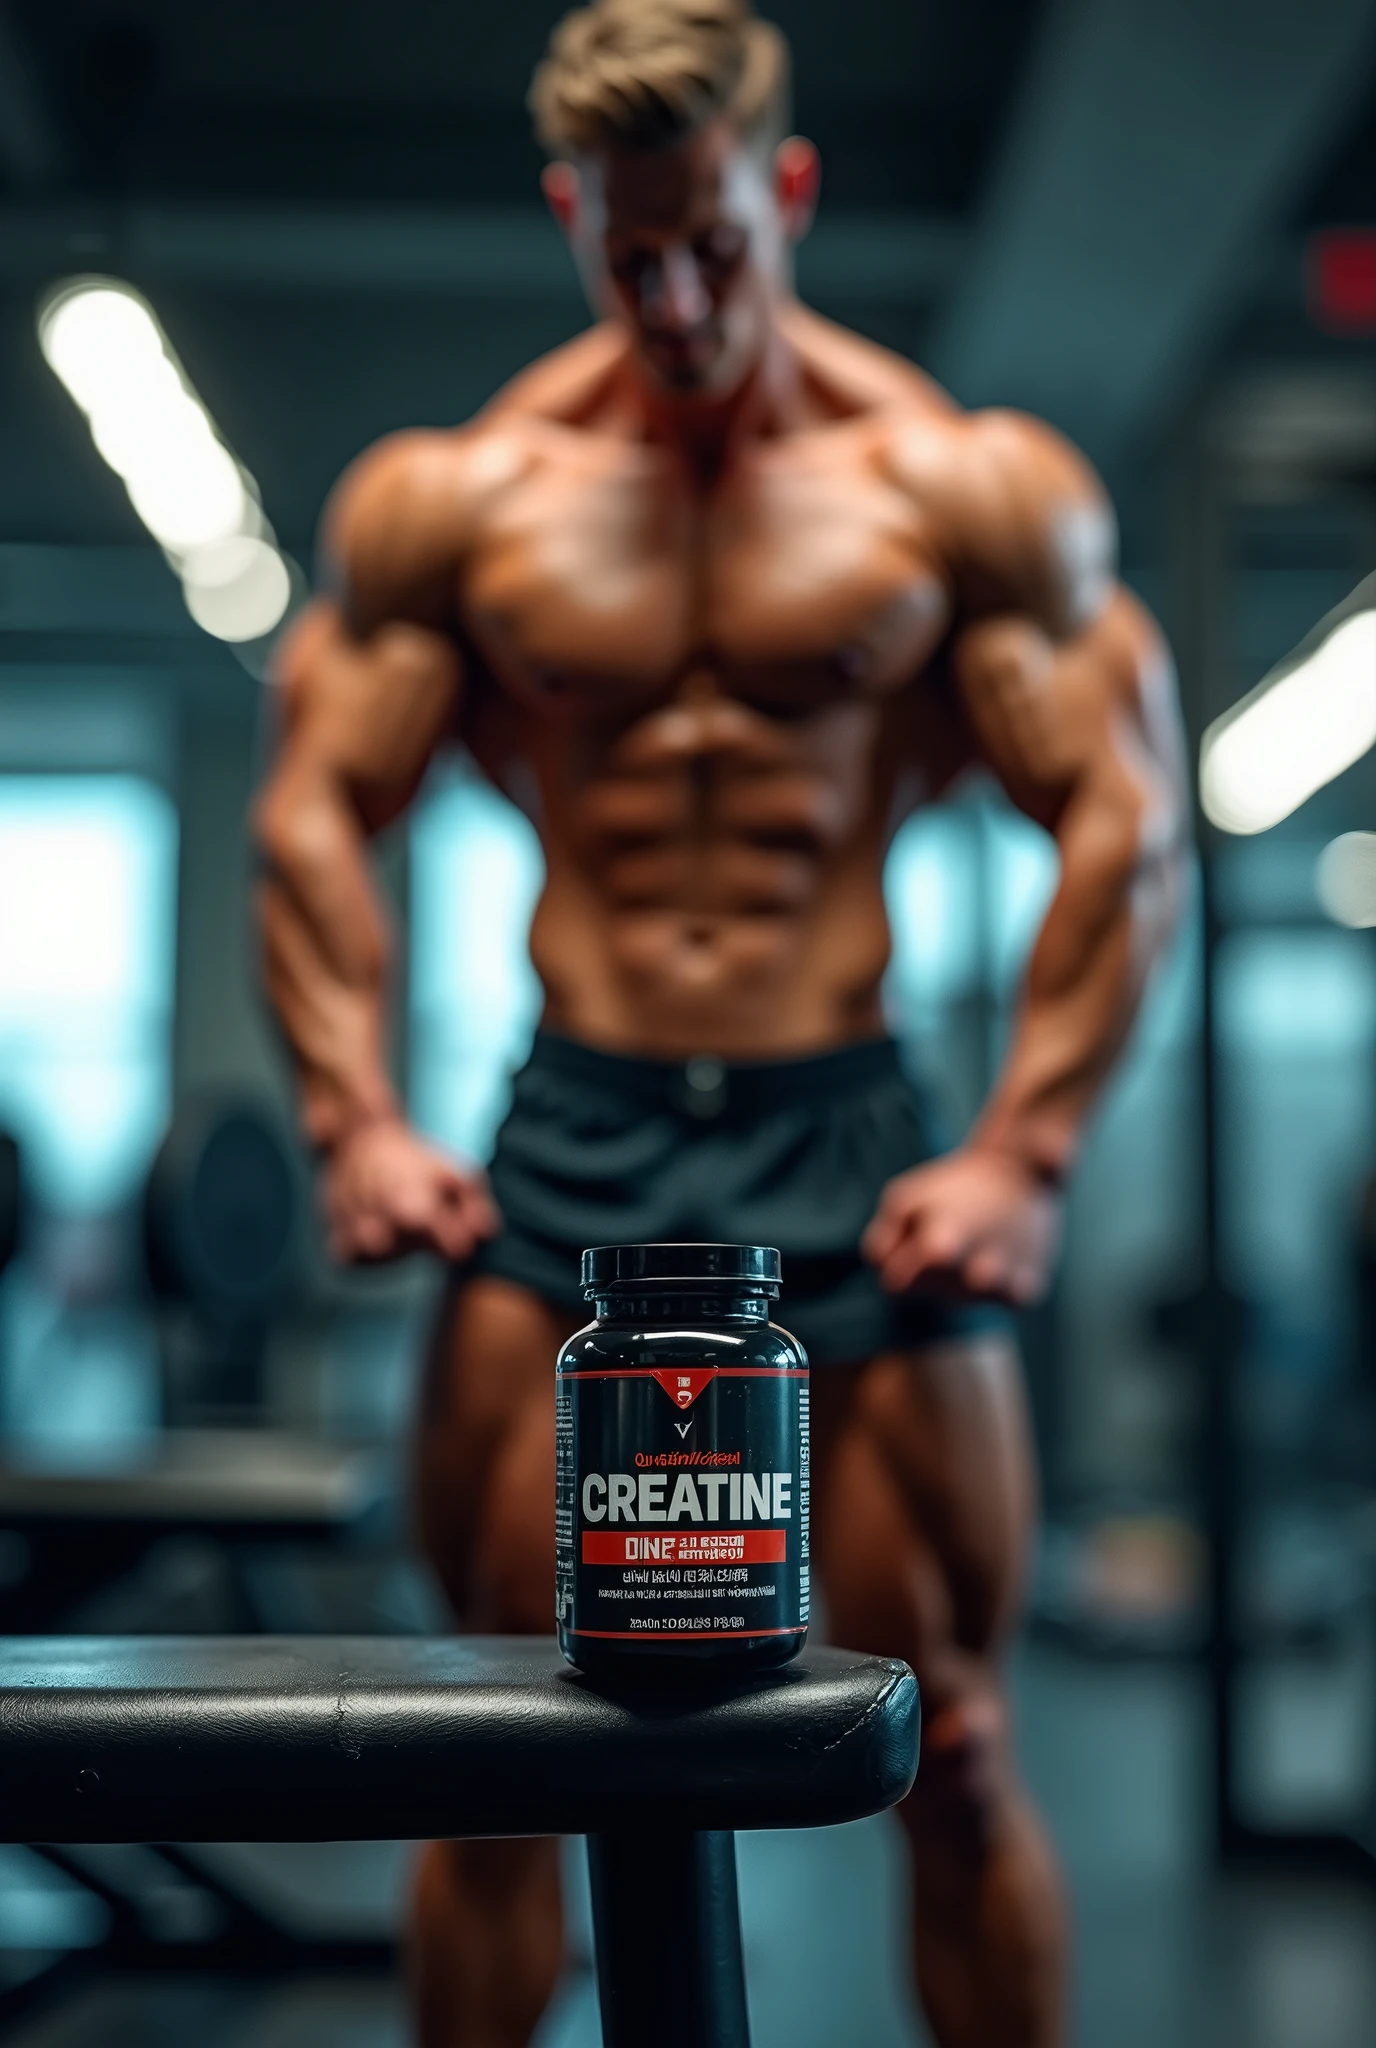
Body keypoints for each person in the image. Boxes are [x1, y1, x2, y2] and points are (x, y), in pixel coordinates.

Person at [254, 2, 1186, 2041]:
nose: (673, 299)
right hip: (573, 1131)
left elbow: (1127, 817)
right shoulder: (466, 500)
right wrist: (349, 1120)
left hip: (849, 1139)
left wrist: (1026, 1149)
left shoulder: (953, 493)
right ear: (568, 215)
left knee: (952, 1744)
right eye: (625, 252)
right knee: (488, 1759)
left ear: (787, 194)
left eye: (711, 247)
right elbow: (313, 809)